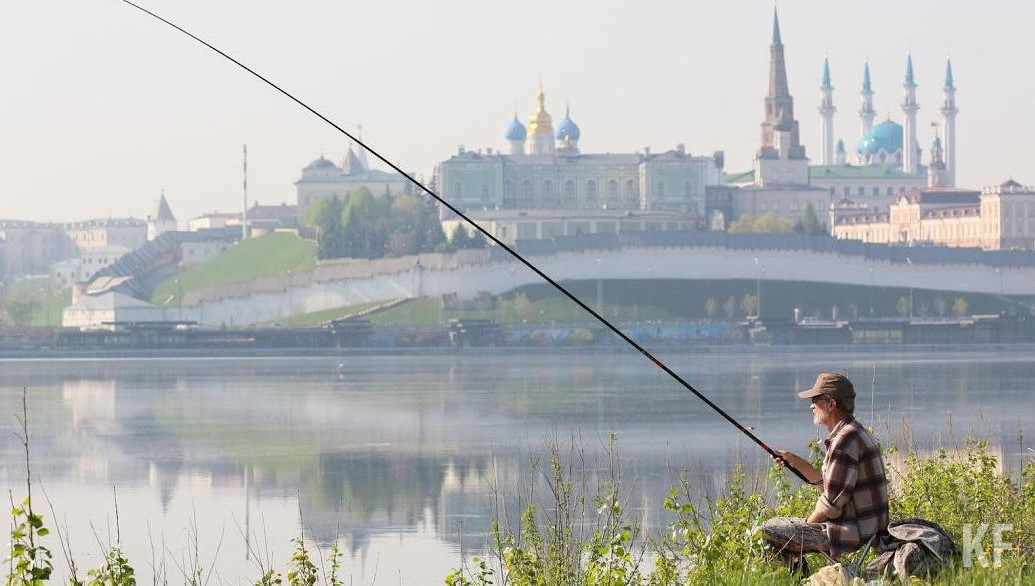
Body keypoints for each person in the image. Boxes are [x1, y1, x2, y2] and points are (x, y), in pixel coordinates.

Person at [761, 372, 889, 574]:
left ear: (831, 405)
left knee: (768, 532)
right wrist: (795, 461)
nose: (811, 406)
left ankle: (795, 580)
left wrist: (804, 527)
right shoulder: (852, 432)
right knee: (779, 529)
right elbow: (826, 485)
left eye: (815, 400)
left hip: (854, 530)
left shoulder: (844, 442)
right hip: (866, 526)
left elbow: (831, 506)